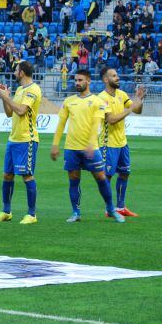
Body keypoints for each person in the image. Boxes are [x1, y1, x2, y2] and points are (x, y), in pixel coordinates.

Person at [50, 69, 125, 223]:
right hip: (71, 148)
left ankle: (111, 209)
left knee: (101, 178)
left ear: (88, 81)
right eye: (75, 80)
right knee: (73, 179)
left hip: (91, 148)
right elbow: (61, 125)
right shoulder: (68, 101)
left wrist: (91, 144)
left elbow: (96, 125)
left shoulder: (97, 102)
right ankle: (76, 212)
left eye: (80, 80)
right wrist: (55, 144)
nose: (77, 83)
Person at [0, 60, 42, 224]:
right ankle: (6, 211)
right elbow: (9, 113)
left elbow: (21, 111)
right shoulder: (20, 89)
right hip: (13, 139)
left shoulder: (33, 89)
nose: (14, 72)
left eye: (16, 70)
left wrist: (7, 97)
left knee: (27, 175)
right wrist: (4, 98)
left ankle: (32, 214)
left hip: (27, 139)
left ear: (22, 72)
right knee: (7, 175)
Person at [98, 67, 145, 218]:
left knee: (124, 174)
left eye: (117, 75)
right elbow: (111, 119)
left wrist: (139, 100)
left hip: (122, 143)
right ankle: (109, 208)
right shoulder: (101, 98)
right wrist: (131, 107)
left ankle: (120, 207)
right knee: (108, 176)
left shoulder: (122, 94)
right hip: (108, 144)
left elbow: (138, 110)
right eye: (114, 76)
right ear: (106, 79)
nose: (117, 78)